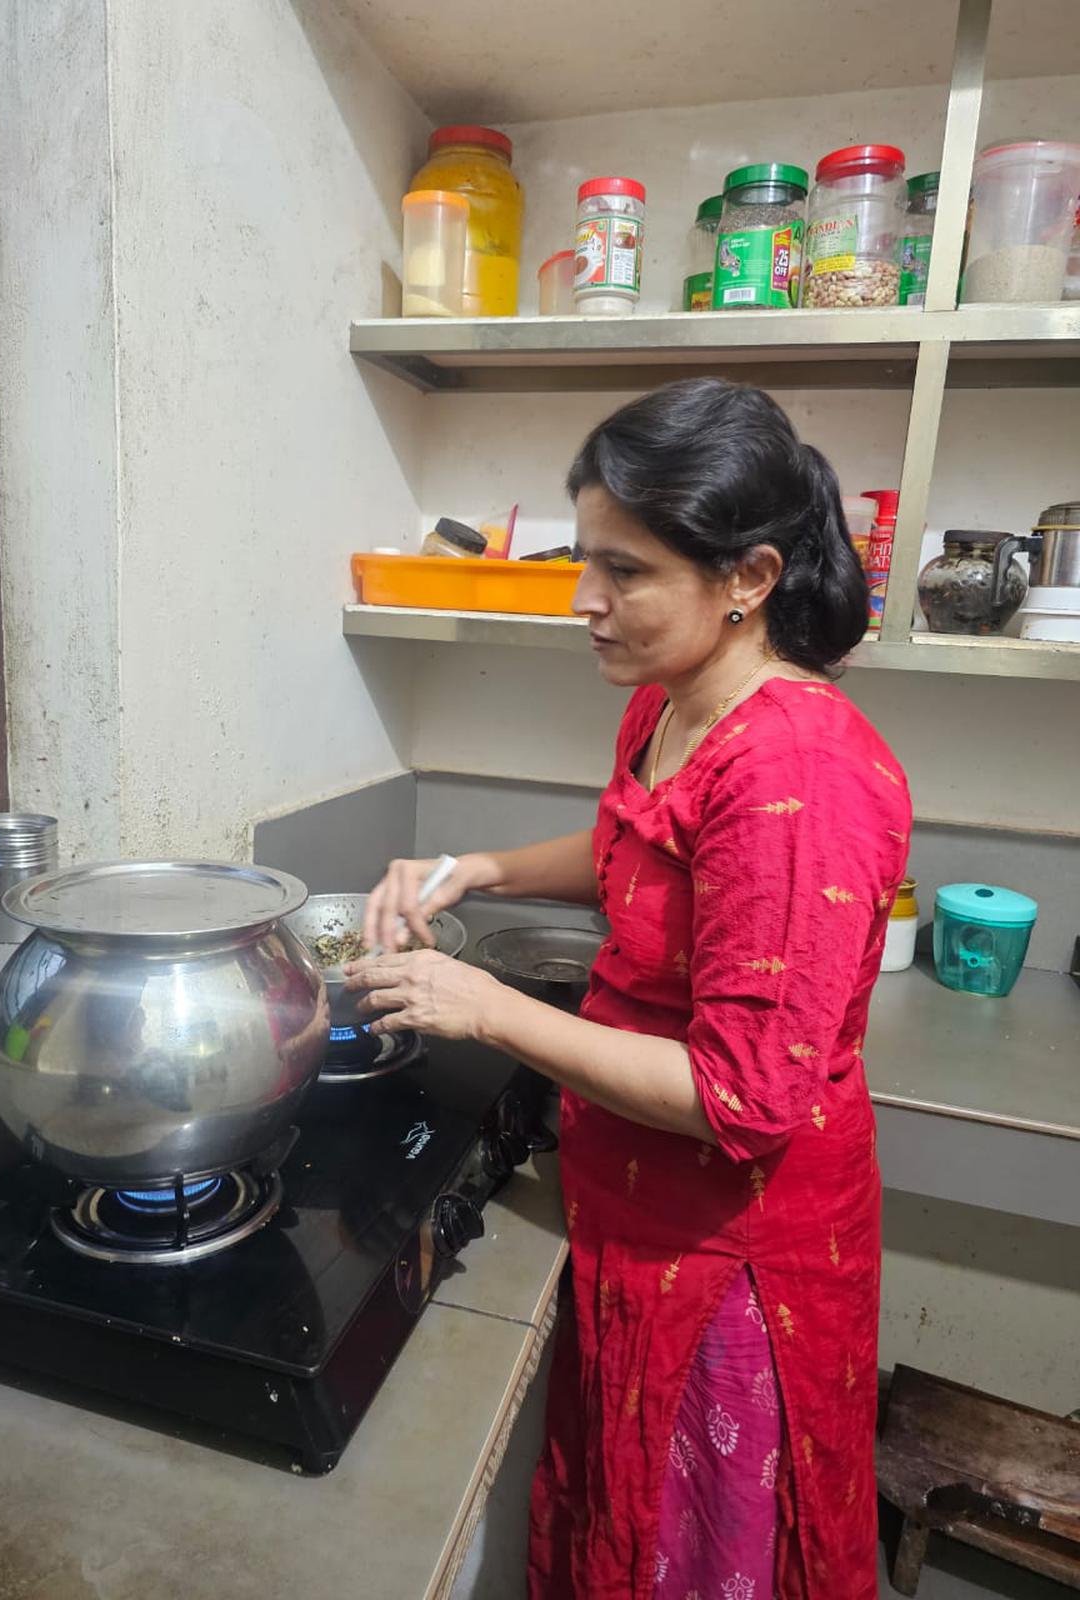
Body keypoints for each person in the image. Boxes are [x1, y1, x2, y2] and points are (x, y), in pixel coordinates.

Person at [346, 378, 911, 1600]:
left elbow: (742, 1099)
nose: (583, 601)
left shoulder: (799, 772)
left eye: (624, 570)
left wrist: (484, 1004)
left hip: (735, 1258)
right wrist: (478, 867)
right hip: (637, 1208)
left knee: (707, 1556)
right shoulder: (671, 704)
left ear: (748, 578)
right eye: (581, 559)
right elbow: (633, 848)